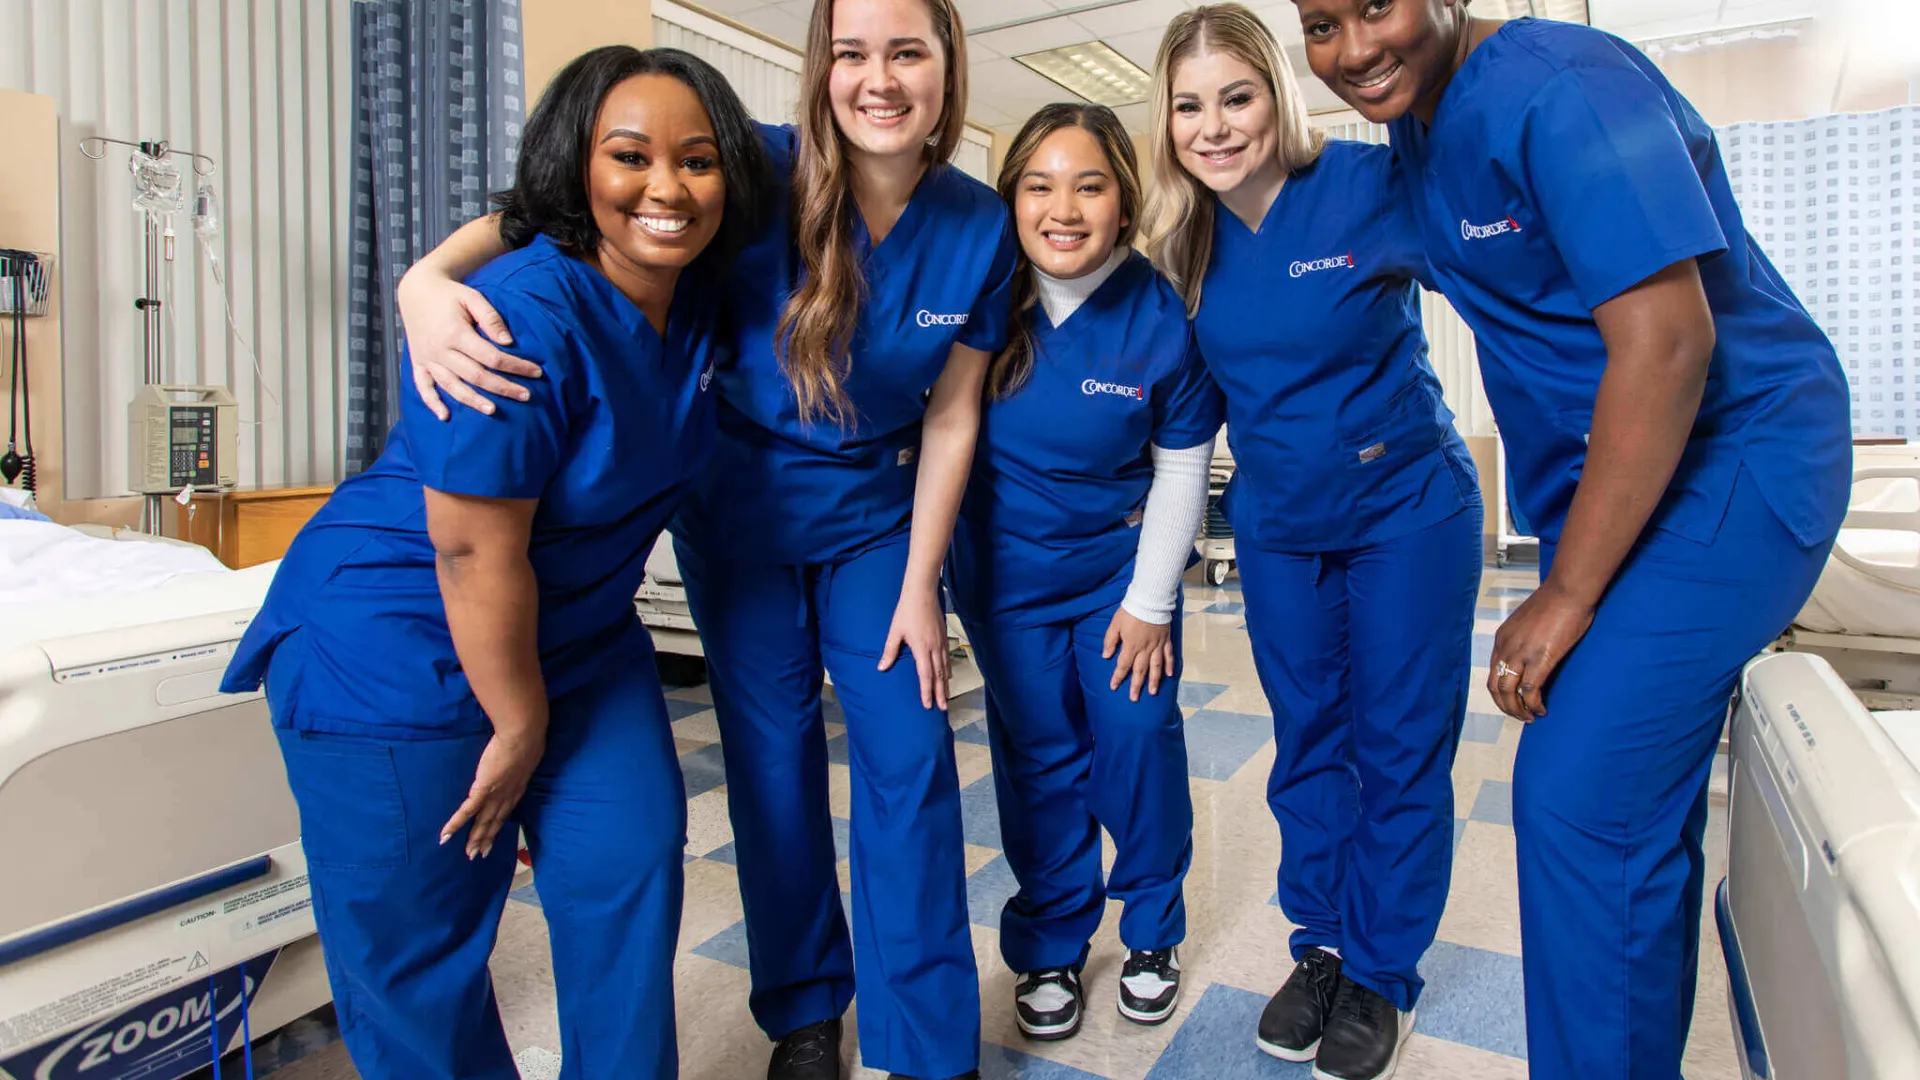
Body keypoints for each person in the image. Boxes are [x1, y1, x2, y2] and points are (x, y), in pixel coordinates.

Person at [393, 1, 1016, 1076]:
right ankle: (807, 1011)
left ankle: (927, 1047)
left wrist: (926, 585)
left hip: (878, 524)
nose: (879, 79)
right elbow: (566, 206)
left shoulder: (978, 224)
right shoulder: (753, 168)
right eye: (854, 52)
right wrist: (424, 279)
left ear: (947, 66)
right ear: (823, 68)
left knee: (909, 761)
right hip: (735, 516)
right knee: (771, 768)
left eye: (907, 51)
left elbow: (956, 412)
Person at [1287, 2, 1853, 1078]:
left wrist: (1568, 593)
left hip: (1737, 457)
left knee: (1578, 799)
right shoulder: (1421, 124)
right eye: (1320, 24)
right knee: (1625, 812)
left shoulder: (1567, 84)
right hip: (1631, 484)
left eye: (1376, 7)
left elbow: (1672, 340)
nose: (1354, 49)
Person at [218, 46, 772, 1080]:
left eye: (696, 161)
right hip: (399, 643)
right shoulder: (517, 315)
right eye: (629, 157)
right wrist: (516, 724)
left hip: (577, 638)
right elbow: (471, 549)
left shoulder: (690, 286)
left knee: (629, 864)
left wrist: (423, 267)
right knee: (421, 962)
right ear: (579, 166)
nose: (667, 186)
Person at [1140, 7, 1484, 1079]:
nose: (1215, 126)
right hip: (1284, 531)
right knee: (1310, 748)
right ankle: (1322, 944)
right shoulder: (1179, 236)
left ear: (1276, 93)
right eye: (1190, 105)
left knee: (1398, 747)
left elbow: (1504, 292)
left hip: (1407, 515)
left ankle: (1383, 970)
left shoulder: (1364, 185)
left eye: (1236, 96)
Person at [944, 102, 1223, 1042]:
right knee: (1039, 760)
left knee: (1138, 739)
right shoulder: (985, 299)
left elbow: (1181, 465)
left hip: (1119, 582)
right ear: (1010, 199)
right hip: (1005, 582)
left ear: (1124, 197)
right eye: (1038, 185)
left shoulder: (1158, 315)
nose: (1063, 208)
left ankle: (1151, 931)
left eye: (1089, 184)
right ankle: (1053, 941)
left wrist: (1150, 604)